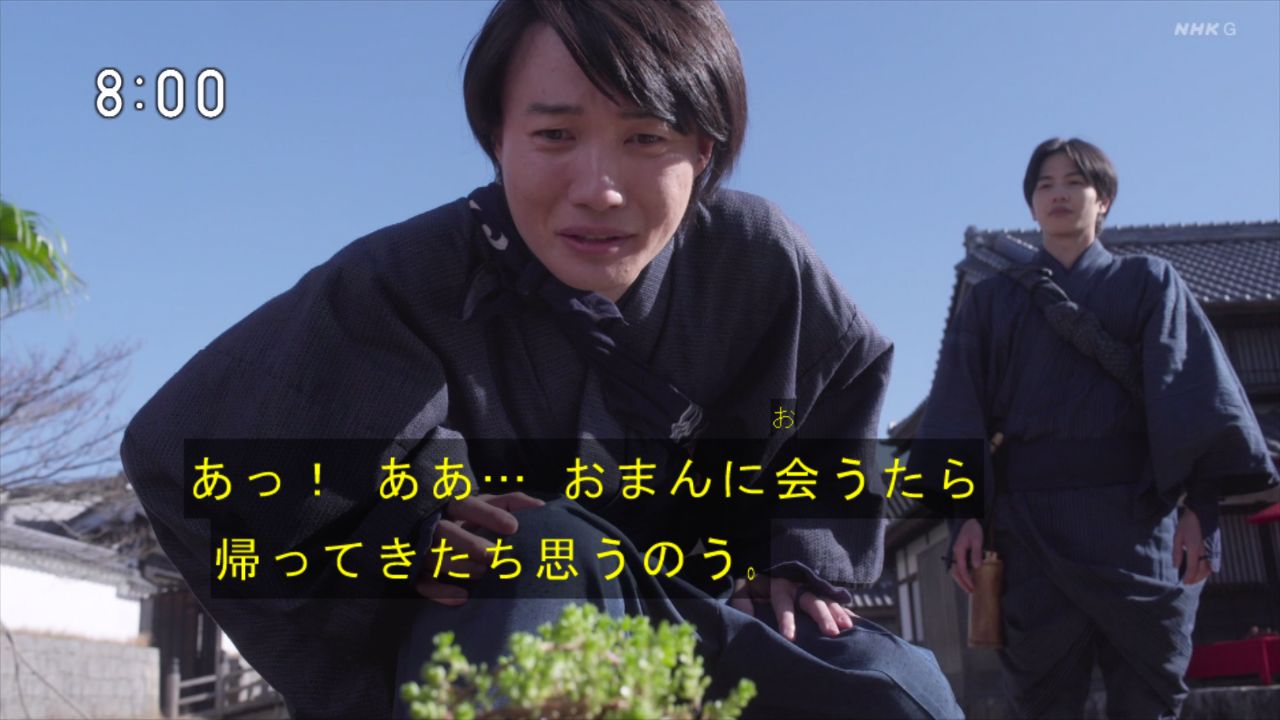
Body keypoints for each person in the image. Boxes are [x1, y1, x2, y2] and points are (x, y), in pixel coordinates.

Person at [121, 1, 962, 718]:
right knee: (532, 551)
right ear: (498, 137)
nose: (599, 188)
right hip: (502, 632)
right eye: (556, 133)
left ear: (703, 151)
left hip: (706, 611)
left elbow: (835, 391)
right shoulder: (401, 283)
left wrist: (800, 560)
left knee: (896, 688)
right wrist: (397, 543)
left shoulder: (759, 260)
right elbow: (186, 456)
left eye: (646, 137)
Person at [919, 137, 1278, 719]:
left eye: (1074, 182)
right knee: (1041, 703)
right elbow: (959, 410)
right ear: (1031, 204)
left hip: (1138, 523)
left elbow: (1195, 400)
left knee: (1149, 696)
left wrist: (1203, 509)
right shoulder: (990, 302)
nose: (1058, 194)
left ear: (1103, 198)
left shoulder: (1151, 283)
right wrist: (964, 516)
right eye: (1045, 185)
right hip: (1028, 528)